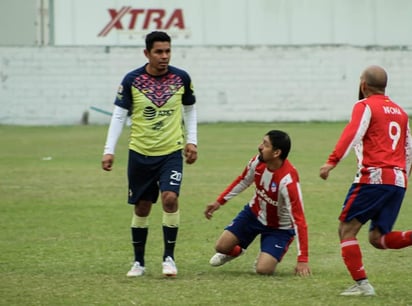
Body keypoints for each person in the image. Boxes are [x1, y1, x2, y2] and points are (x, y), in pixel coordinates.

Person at [101, 31, 198, 277]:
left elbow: (190, 109)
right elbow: (119, 115)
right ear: (147, 53)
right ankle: (139, 263)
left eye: (167, 51)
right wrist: (109, 150)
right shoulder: (131, 80)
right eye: (159, 52)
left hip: (171, 152)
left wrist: (192, 141)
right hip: (140, 153)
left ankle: (169, 258)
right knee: (142, 207)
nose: (164, 56)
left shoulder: (181, 78)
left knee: (169, 199)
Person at [319, 65, 412, 296]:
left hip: (374, 177)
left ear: (363, 85)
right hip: (398, 180)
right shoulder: (401, 112)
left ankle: (363, 286)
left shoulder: (365, 106)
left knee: (346, 230)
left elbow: (353, 132)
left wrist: (332, 161)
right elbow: (409, 148)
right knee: (377, 238)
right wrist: (403, 177)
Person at [204, 130, 311, 277]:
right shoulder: (258, 162)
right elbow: (243, 180)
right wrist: (219, 202)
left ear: (276, 153)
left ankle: (268, 254)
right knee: (221, 247)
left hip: (280, 228)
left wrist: (303, 259)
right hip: (253, 214)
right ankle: (237, 251)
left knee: (263, 270)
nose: (260, 147)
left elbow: (299, 219)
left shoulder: (288, 181)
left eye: (265, 145)